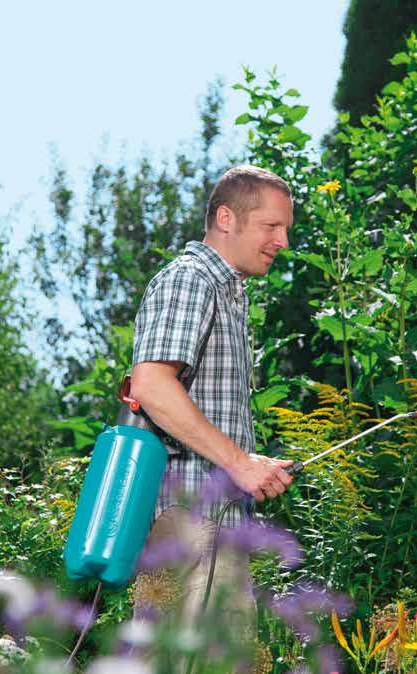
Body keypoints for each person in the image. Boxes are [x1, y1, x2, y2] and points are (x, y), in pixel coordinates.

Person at [128, 165, 296, 647]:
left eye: (285, 228)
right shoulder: (191, 280)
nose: (282, 240)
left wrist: (251, 467)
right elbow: (153, 385)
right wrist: (240, 463)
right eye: (271, 226)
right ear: (227, 217)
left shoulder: (226, 292)